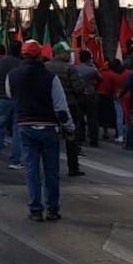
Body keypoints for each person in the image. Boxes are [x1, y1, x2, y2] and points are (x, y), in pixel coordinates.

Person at [7, 40, 75, 222]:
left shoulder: (12, 75)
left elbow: (9, 94)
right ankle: (52, 209)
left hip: (25, 125)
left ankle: (35, 209)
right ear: (39, 55)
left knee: (31, 169)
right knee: (51, 170)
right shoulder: (50, 78)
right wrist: (69, 128)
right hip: (48, 126)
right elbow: (61, 107)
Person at [45, 42, 88, 176]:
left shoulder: (45, 67)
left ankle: (50, 167)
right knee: (71, 135)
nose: (69, 55)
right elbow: (79, 88)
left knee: (50, 136)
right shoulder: (70, 69)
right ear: (60, 54)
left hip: (49, 105)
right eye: (67, 53)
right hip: (69, 105)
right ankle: (73, 167)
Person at [0, 40, 23, 169]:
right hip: (18, 99)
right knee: (17, 130)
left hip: (2, 98)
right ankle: (15, 160)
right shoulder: (22, 64)